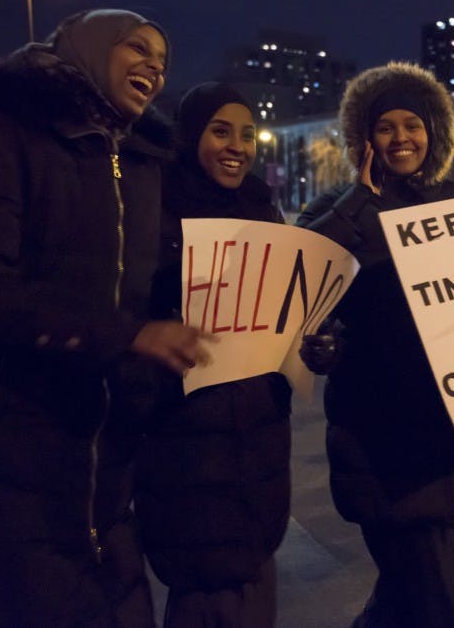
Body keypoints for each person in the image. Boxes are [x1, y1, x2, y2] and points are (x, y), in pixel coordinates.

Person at [0, 9, 207, 628]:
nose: (154, 67)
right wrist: (128, 337)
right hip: (20, 446)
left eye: (163, 60)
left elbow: (157, 284)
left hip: (113, 452)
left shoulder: (145, 160)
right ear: (88, 46)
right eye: (138, 48)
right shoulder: (6, 128)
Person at [301, 62, 454, 628]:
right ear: (363, 137)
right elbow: (302, 275)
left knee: (410, 598)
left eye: (412, 124)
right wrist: (360, 202)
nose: (400, 139)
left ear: (433, 131)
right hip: (385, 438)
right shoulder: (338, 211)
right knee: (435, 606)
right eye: (385, 127)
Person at [134, 82, 290, 627]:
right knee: (208, 596)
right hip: (187, 441)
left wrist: (311, 345)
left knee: (254, 585)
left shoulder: (263, 211)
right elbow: (125, 317)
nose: (238, 146)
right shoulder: (154, 212)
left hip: (260, 437)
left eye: (247, 135)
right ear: (188, 135)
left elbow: (284, 312)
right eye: (220, 131)